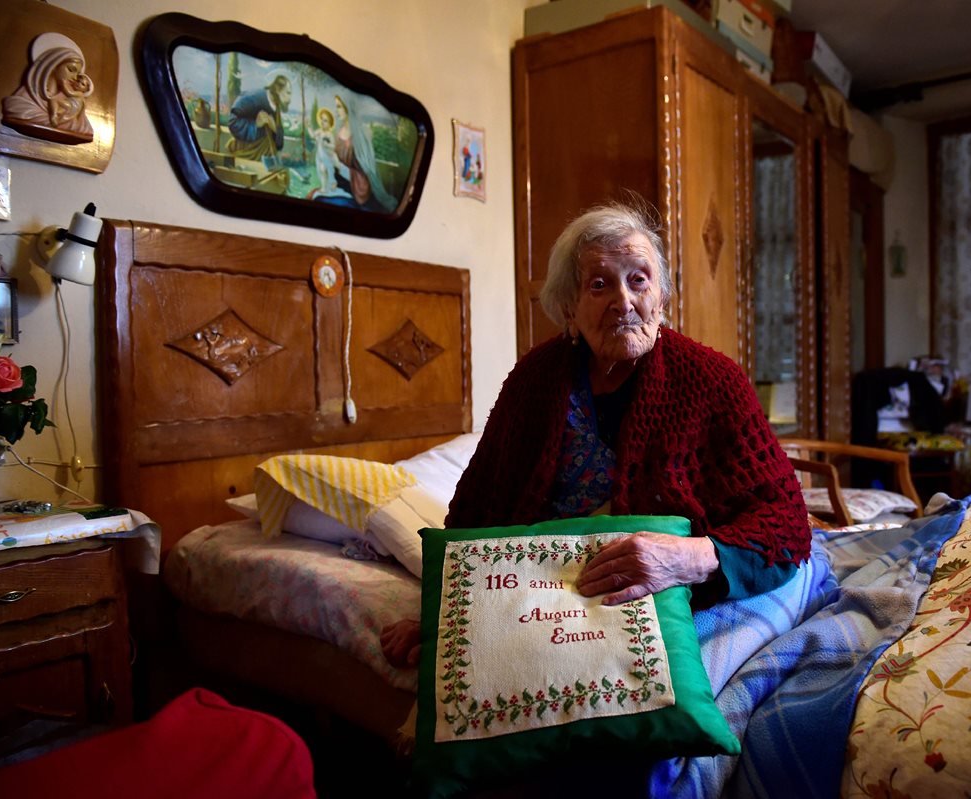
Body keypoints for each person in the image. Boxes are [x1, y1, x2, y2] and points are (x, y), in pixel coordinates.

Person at [382, 200, 810, 666]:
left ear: (661, 297)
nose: (623, 301)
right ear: (569, 306)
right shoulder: (534, 381)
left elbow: (785, 523)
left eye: (639, 280)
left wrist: (689, 559)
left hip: (674, 592)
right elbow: (477, 515)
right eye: (600, 284)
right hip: (545, 596)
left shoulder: (712, 380)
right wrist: (448, 617)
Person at [1, 33, 95, 145]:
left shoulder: (77, 112)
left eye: (78, 74)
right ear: (53, 65)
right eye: (71, 69)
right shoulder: (19, 103)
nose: (75, 78)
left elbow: (84, 131)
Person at [332, 94, 398, 213]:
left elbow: (364, 171)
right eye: (336, 107)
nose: (336, 111)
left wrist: (340, 167)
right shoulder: (339, 131)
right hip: (339, 181)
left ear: (348, 109)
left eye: (339, 107)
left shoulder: (360, 135)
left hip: (357, 188)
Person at [227, 73, 291, 164]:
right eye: (288, 93)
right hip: (246, 158)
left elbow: (279, 145)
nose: (289, 98)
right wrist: (255, 125)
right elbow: (232, 122)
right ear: (277, 90)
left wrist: (275, 129)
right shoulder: (252, 98)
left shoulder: (276, 108)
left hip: (266, 161)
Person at [309, 107, 348, 199]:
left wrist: (326, 145)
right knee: (321, 170)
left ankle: (332, 182)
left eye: (325, 120)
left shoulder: (329, 134)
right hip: (320, 157)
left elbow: (333, 146)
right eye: (322, 119)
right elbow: (312, 135)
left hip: (327, 156)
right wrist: (308, 127)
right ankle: (324, 187)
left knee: (326, 169)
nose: (322, 122)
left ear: (330, 124)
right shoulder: (319, 131)